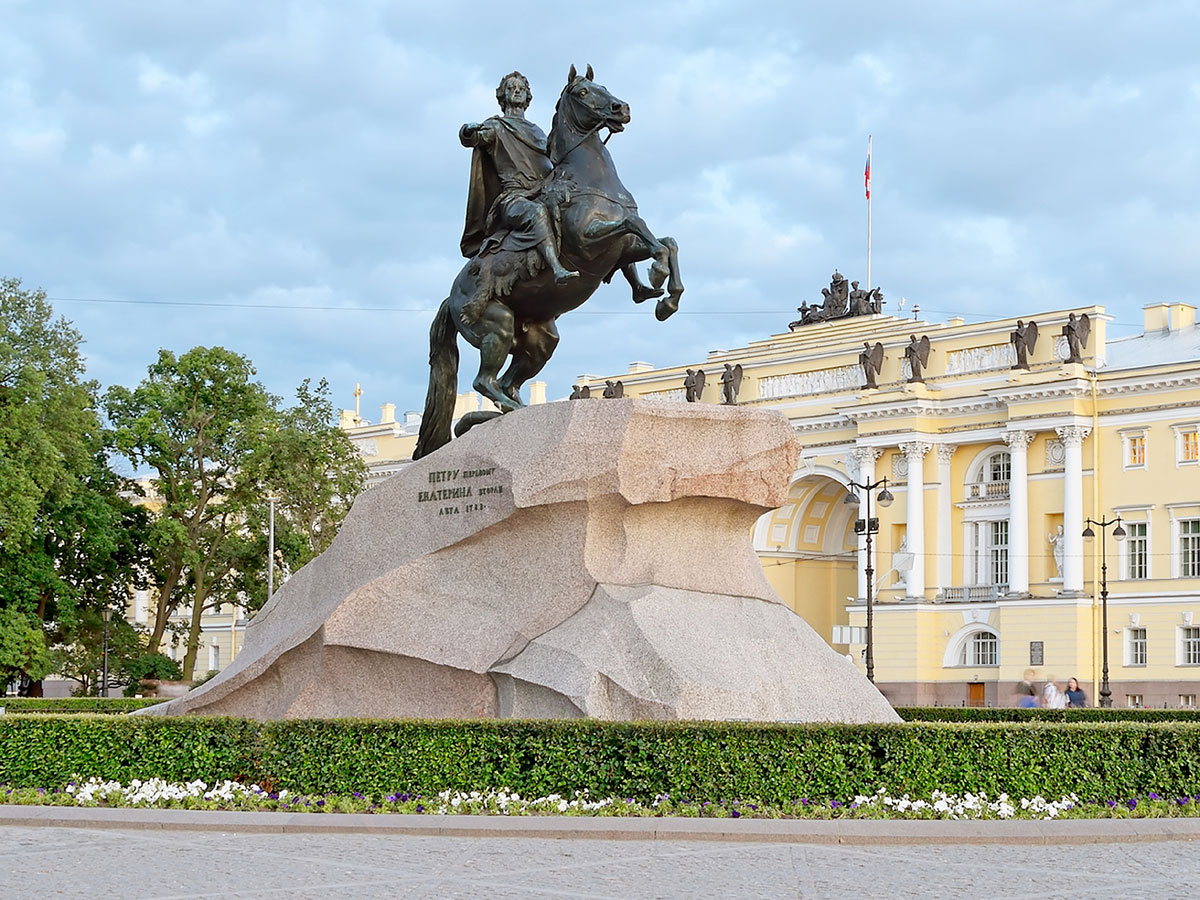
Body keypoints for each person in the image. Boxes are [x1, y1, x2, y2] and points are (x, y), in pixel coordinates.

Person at [459, 71, 579, 285]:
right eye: (511, 87)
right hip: (514, 199)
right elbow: (473, 137)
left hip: (542, 191)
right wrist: (467, 131)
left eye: (521, 89)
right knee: (537, 213)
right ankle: (557, 268)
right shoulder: (496, 126)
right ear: (502, 96)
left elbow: (555, 158)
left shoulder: (539, 132)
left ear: (527, 97)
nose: (517, 91)